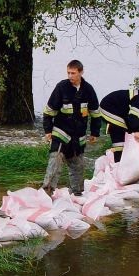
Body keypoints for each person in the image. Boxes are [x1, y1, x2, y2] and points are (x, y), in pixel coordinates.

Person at [42, 60, 101, 196]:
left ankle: (77, 193)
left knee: (78, 166)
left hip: (78, 137)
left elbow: (95, 114)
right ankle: (47, 193)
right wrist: (48, 131)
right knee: (54, 162)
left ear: (81, 72)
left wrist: (94, 133)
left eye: (73, 73)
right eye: (68, 73)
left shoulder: (88, 90)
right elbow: (49, 112)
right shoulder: (61, 87)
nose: (70, 76)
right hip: (60, 133)